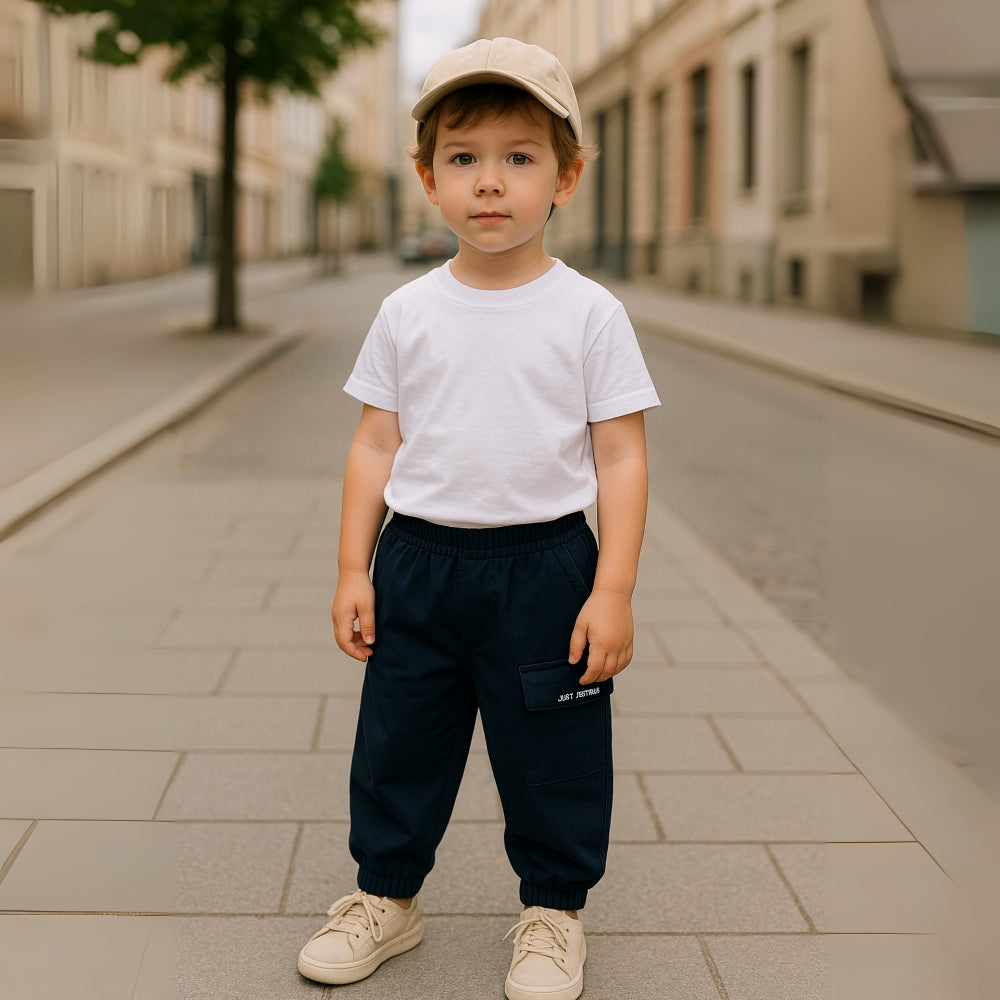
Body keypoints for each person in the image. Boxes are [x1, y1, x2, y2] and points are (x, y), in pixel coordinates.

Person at [297, 36, 660, 1000]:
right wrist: (353, 568)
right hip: (417, 563)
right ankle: (387, 896)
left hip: (546, 570)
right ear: (428, 179)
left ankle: (553, 912)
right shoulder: (407, 311)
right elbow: (376, 443)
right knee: (398, 743)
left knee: (553, 755)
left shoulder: (589, 314)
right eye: (463, 158)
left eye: (519, 157)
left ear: (565, 178)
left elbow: (621, 457)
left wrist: (614, 589)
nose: (489, 182)